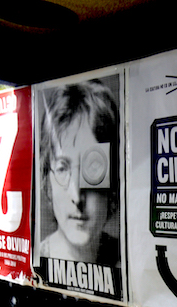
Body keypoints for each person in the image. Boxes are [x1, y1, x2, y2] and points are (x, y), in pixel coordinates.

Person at [38, 79, 120, 266]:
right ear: (47, 184)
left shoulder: (130, 259)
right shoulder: (34, 265)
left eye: (92, 169)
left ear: (113, 186)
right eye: (62, 169)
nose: (77, 197)